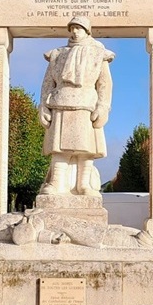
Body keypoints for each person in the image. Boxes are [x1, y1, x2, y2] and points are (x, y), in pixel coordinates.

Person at [38, 16, 114, 196]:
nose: (74, 31)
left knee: (86, 149)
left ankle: (83, 185)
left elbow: (105, 84)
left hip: (86, 103)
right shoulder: (57, 53)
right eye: (72, 28)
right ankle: (56, 183)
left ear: (87, 31)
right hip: (60, 102)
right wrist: (43, 106)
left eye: (79, 28)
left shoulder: (98, 52)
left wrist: (103, 106)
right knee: (59, 147)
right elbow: (47, 83)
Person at [0, 209, 153, 250]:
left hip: (46, 222)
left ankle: (138, 241)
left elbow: (22, 235)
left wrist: (47, 237)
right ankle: (136, 237)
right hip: (46, 219)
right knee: (92, 231)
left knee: (92, 236)